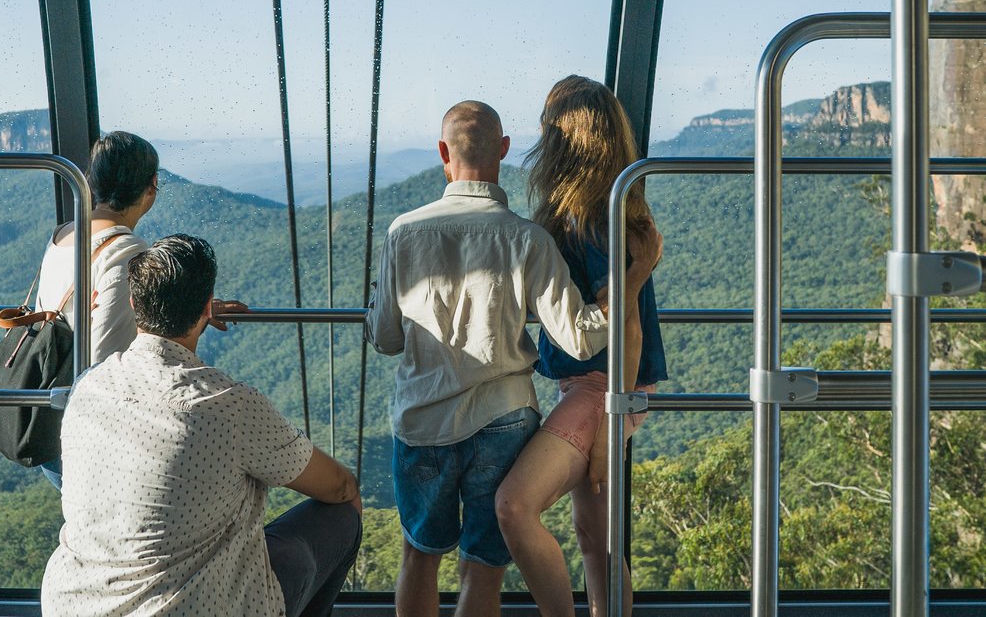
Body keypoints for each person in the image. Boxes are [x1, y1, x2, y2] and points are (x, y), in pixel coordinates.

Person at [364, 100, 626, 617]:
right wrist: (621, 297)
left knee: (419, 557)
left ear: (442, 152)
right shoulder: (528, 238)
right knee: (484, 565)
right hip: (504, 418)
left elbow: (387, 339)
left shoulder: (404, 232)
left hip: (423, 420)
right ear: (504, 151)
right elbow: (576, 338)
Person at [41, 234, 362, 617]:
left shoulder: (88, 387)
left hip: (75, 604)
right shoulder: (228, 405)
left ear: (133, 303)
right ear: (208, 308)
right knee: (343, 515)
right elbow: (340, 486)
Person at [495, 76, 665, 617]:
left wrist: (606, 434)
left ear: (564, 139)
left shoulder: (595, 221)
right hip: (593, 386)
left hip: (605, 389)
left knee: (514, 505)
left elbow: (628, 327)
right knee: (596, 540)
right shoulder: (591, 212)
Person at [34, 130, 244, 488]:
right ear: (151, 188)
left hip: (50, 415)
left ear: (90, 179)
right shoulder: (125, 252)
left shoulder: (64, 235)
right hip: (88, 436)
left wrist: (193, 308)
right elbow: (104, 359)